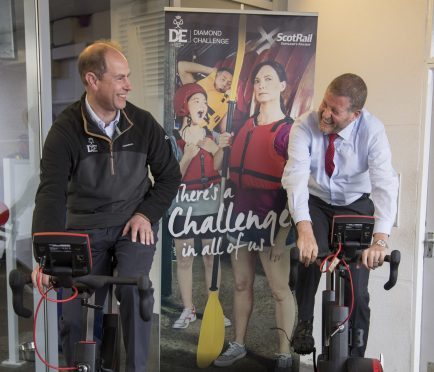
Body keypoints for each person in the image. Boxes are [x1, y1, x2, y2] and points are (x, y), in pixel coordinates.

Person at [31, 40, 181, 371]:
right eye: (119, 78)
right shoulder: (65, 130)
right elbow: (52, 193)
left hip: (133, 224)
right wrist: (46, 258)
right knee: (76, 304)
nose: (129, 85)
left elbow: (170, 176)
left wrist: (146, 213)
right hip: (84, 228)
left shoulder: (142, 124)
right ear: (92, 80)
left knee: (134, 289)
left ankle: (137, 368)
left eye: (127, 76)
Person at [281, 73, 399, 357]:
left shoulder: (372, 130)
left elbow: (385, 184)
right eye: (325, 103)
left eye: (335, 110)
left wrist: (380, 241)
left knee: (358, 286)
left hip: (355, 203)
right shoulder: (304, 125)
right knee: (310, 253)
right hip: (316, 201)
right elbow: (295, 177)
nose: (325, 113)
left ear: (355, 114)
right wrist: (304, 230)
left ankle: (356, 355)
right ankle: (304, 323)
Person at [214, 61, 296, 372]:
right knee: (240, 284)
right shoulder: (243, 126)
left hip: (273, 220)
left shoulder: (288, 132)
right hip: (240, 217)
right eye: (258, 79)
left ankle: (285, 353)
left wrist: (283, 232)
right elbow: (224, 166)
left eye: (269, 79)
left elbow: (295, 186)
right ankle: (239, 343)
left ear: (283, 86)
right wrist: (222, 146)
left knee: (278, 289)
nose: (261, 84)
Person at [168, 83, 231, 329]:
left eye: (204, 102)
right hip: (182, 207)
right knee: (184, 258)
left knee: (210, 258)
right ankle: (188, 309)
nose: (202, 106)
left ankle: (214, 306)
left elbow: (219, 167)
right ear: (184, 106)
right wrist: (187, 155)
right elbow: (172, 178)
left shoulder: (213, 136)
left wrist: (220, 148)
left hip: (210, 205)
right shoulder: (173, 140)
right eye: (196, 101)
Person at [178, 60, 233, 132]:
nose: (225, 83)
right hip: (187, 129)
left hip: (204, 135)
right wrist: (211, 70)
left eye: (229, 83)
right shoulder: (197, 87)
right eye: (223, 79)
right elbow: (181, 66)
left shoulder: (228, 101)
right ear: (216, 75)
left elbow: (223, 129)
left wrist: (232, 103)